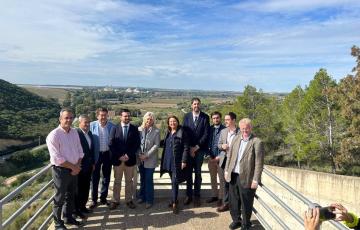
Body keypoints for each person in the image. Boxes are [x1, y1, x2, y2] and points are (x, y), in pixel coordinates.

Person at [46, 108, 84, 229]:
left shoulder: (74, 132)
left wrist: (77, 166)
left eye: (71, 118)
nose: (69, 120)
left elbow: (80, 151)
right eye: (66, 117)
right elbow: (57, 158)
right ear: (60, 119)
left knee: (71, 195)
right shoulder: (53, 135)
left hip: (74, 169)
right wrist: (74, 167)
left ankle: (68, 217)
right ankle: (58, 223)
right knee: (59, 198)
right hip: (61, 171)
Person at [224, 118, 265, 230]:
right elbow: (230, 156)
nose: (244, 131)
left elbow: (259, 163)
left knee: (246, 202)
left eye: (246, 129)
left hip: (247, 177)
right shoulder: (236, 139)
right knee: (233, 201)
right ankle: (236, 220)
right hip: (233, 175)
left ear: (251, 128)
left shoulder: (257, 142)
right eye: (242, 129)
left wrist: (256, 179)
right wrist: (227, 170)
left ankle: (246, 224)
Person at [109, 109, 141, 210]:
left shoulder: (134, 128)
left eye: (128, 116)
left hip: (130, 160)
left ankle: (128, 200)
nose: (127, 118)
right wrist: (119, 156)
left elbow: (136, 144)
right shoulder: (114, 128)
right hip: (118, 160)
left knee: (129, 182)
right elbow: (111, 144)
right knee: (117, 181)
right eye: (125, 116)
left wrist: (128, 155)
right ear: (120, 117)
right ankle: (115, 200)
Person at [182, 97, 210, 207]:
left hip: (199, 150)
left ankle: (197, 195)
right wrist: (189, 148)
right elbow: (184, 133)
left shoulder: (205, 117)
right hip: (188, 150)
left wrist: (196, 147)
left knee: (198, 174)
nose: (196, 106)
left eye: (198, 104)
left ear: (200, 105)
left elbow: (206, 134)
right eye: (194, 104)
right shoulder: (186, 117)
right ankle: (188, 195)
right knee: (188, 174)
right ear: (191, 105)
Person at [160, 115, 190, 214]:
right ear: (168, 123)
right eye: (170, 121)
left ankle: (174, 203)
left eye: (174, 121)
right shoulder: (168, 132)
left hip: (176, 162)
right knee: (173, 182)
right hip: (167, 161)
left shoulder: (182, 133)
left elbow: (186, 147)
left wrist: (184, 161)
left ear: (177, 122)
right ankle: (174, 199)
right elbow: (164, 143)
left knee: (174, 182)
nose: (172, 123)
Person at [90, 108, 114, 208]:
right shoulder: (91, 126)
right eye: (101, 115)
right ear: (97, 116)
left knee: (106, 177)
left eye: (105, 115)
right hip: (96, 155)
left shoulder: (112, 126)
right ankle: (94, 200)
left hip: (107, 155)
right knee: (94, 178)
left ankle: (103, 198)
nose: (103, 117)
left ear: (107, 115)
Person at [216, 112, 239, 212]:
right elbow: (219, 144)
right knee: (225, 183)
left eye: (228, 120)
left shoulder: (240, 132)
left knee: (234, 184)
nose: (225, 122)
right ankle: (226, 204)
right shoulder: (223, 131)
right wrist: (222, 146)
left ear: (234, 120)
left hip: (235, 162)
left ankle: (235, 205)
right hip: (224, 160)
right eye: (225, 120)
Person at [137, 112, 160, 209]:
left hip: (150, 159)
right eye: (147, 118)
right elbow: (136, 143)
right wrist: (139, 154)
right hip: (140, 159)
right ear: (144, 119)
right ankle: (142, 197)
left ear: (153, 120)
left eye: (151, 119)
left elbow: (156, 145)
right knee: (142, 179)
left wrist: (146, 155)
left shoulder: (156, 131)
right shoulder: (139, 129)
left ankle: (149, 200)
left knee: (148, 180)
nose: (149, 120)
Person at [74, 115, 95, 219]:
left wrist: (93, 163)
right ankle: (76, 210)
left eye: (88, 122)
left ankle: (83, 207)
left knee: (86, 188)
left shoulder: (90, 133)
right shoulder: (76, 133)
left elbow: (91, 150)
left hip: (88, 166)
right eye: (85, 122)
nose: (87, 124)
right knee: (78, 189)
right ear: (79, 123)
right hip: (79, 166)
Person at [206, 111, 225, 206]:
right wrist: (209, 155)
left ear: (220, 118)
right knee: (213, 178)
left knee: (221, 179)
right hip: (211, 158)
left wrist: (219, 156)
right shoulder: (209, 129)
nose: (215, 119)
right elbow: (207, 143)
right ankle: (214, 195)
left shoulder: (225, 130)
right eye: (213, 118)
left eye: (217, 118)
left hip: (221, 159)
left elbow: (227, 145)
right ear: (212, 119)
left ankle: (221, 198)